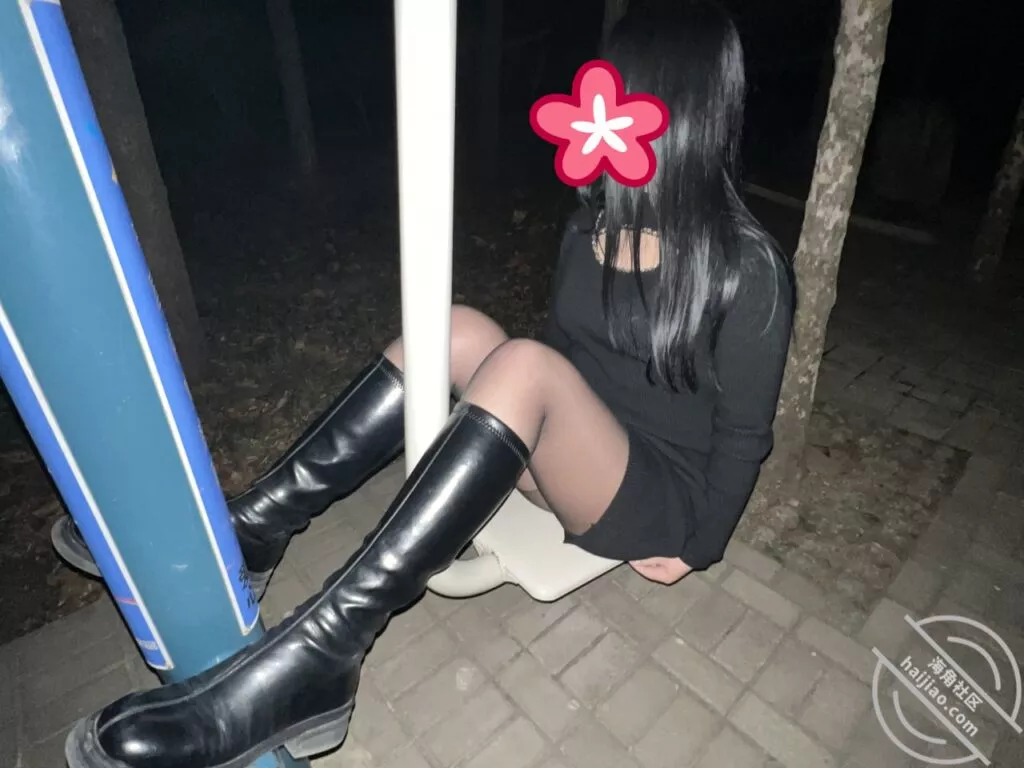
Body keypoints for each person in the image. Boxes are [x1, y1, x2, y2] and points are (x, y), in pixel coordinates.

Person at [65, 3, 794, 766]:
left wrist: (700, 548)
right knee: (456, 328)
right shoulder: (591, 227)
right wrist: (516, 411)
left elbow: (745, 434)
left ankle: (320, 657)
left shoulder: (747, 270)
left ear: (675, 111)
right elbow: (564, 354)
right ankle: (256, 527)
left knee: (527, 367)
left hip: (658, 496)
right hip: (575, 454)